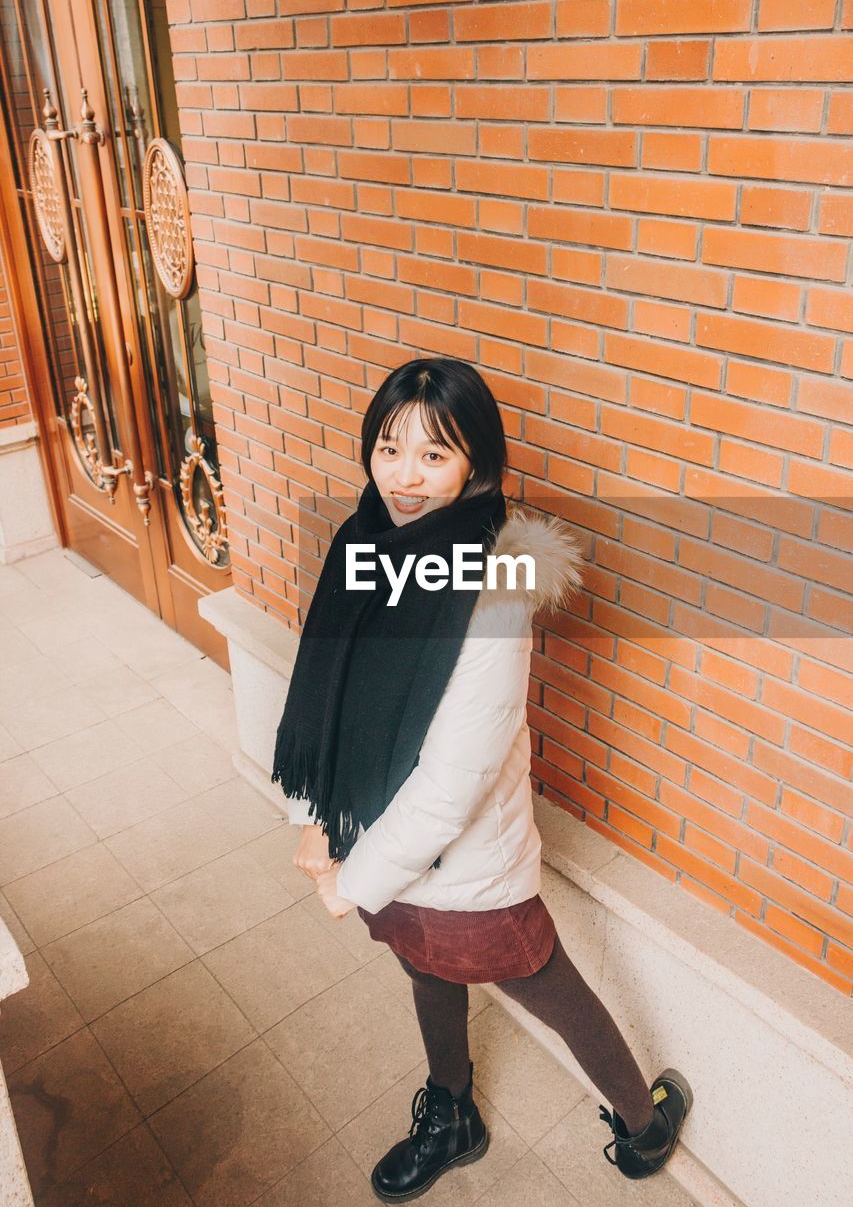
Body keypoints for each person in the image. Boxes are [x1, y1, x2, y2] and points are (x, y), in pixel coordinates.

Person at [273, 357, 692, 1203]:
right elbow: (328, 694)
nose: (404, 476)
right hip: (379, 841)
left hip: (458, 857)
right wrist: (321, 815)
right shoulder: (364, 542)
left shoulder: (495, 586)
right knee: (421, 966)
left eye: (435, 455)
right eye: (389, 449)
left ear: (477, 467)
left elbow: (453, 779)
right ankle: (451, 1113)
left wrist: (355, 878)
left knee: (539, 978)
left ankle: (643, 1128)